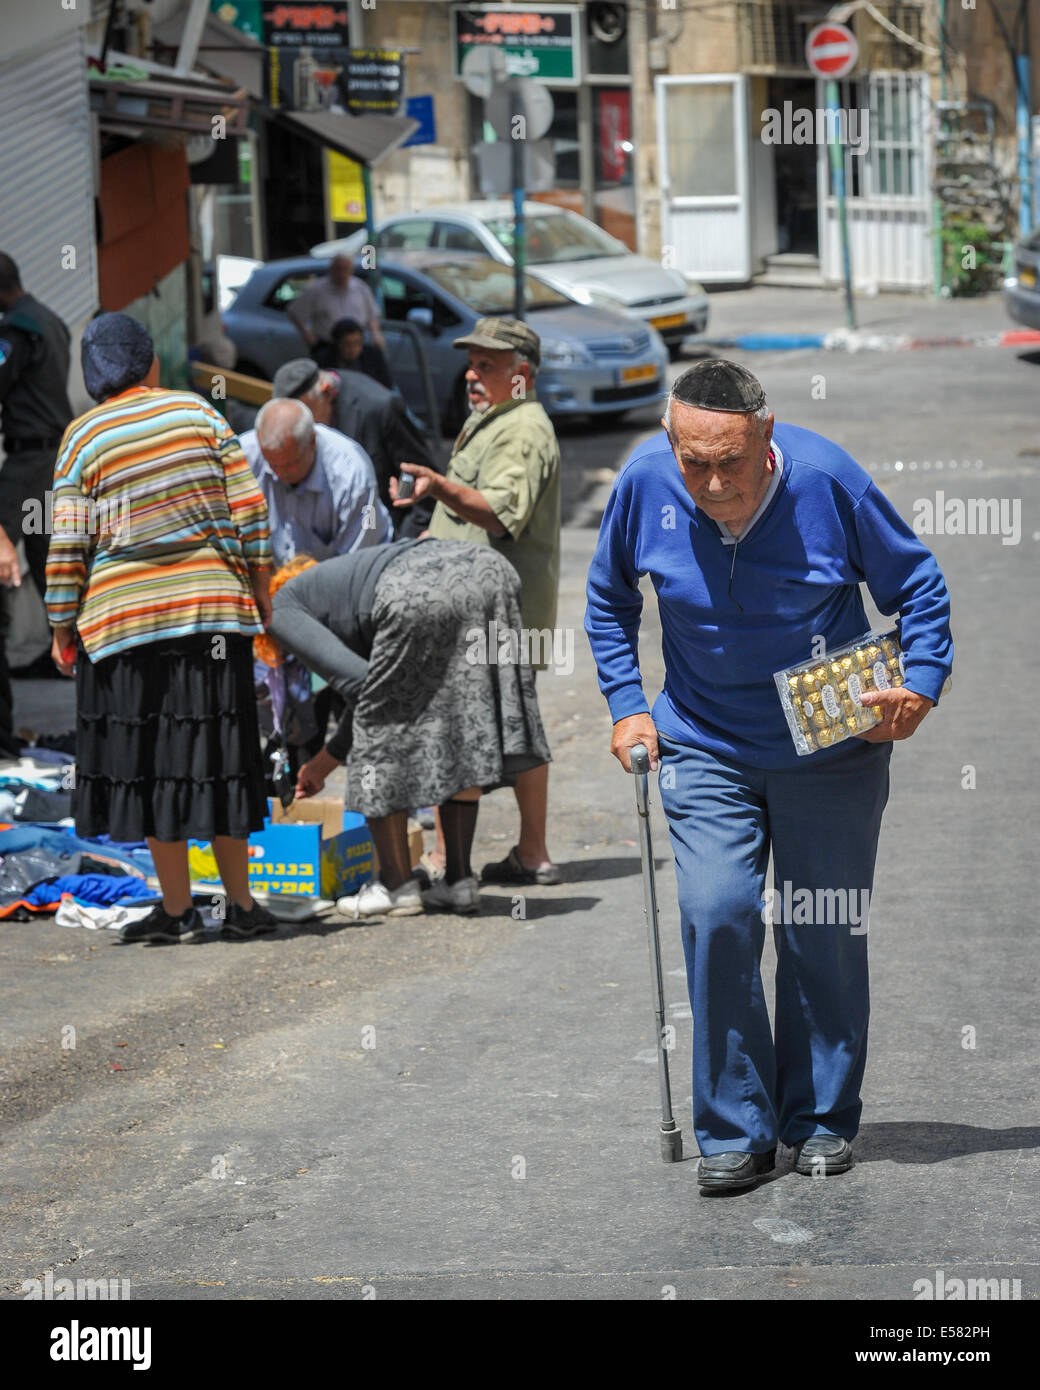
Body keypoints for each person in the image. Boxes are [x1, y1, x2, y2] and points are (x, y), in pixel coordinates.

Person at [585, 360, 954, 1193]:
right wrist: (625, 704)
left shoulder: (829, 482)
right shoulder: (646, 483)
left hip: (831, 750)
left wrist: (921, 684)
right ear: (670, 443)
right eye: (695, 463)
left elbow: (919, 587)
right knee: (716, 914)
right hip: (705, 744)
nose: (713, 483)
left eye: (731, 462)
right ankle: (735, 1128)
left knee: (820, 929)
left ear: (768, 436)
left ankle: (820, 1119)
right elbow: (609, 599)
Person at [45, 313, 277, 945]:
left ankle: (177, 910)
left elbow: (67, 543)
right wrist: (262, 594)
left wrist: (62, 625)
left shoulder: (82, 438)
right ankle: (242, 906)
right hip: (211, 615)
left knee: (150, 764)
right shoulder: (201, 415)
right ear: (149, 364)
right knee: (221, 759)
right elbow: (251, 510)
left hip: (124, 625)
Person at [260, 539, 551, 918]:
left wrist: (327, 759)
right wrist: (321, 765)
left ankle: (396, 886)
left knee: (381, 730)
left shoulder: (278, 610)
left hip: (416, 589)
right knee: (460, 720)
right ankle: (459, 883)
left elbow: (365, 690)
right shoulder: (332, 583)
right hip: (488, 570)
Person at [392, 316, 561, 886]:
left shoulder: (522, 429)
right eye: (472, 362)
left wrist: (439, 487)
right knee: (514, 728)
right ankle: (530, 853)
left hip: (495, 614)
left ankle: (448, 859)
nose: (472, 373)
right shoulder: (494, 420)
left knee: (459, 729)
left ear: (522, 375)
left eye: (487, 365)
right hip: (482, 608)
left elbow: (498, 512)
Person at [0, 252, 74, 757]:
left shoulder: (17, 328)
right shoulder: (52, 319)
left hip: (26, 468)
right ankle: (72, 665)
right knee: (59, 578)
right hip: (55, 465)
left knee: (8, 566)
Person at [270, 358, 441, 538]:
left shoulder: (379, 408)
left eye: (306, 416)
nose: (303, 428)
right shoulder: (312, 402)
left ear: (326, 392)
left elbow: (419, 475)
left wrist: (406, 540)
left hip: (377, 524)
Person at [239, 398, 392, 566]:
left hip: (346, 572)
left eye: (290, 464)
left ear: (312, 442)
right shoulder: (243, 456)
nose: (280, 473)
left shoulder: (353, 477)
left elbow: (356, 565)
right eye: (272, 464)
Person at [288, 255, 384, 366]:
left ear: (351, 270)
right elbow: (294, 312)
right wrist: (307, 335)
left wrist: (376, 335)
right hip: (328, 347)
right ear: (331, 270)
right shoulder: (317, 289)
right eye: (338, 269)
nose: (342, 274)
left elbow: (372, 314)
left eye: (345, 269)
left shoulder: (360, 287)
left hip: (356, 347)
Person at [329, 316, 393, 390]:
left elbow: (386, 385)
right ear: (338, 344)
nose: (353, 349)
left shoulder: (373, 356)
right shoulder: (326, 361)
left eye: (357, 343)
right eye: (347, 344)